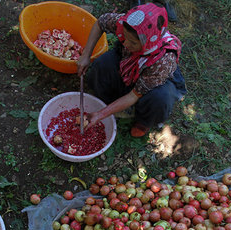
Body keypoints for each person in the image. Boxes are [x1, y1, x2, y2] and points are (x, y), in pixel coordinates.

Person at [77, 2, 186, 138]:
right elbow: (100, 23)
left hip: (152, 80)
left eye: (133, 42)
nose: (126, 44)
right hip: (128, 61)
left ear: (148, 42)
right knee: (102, 64)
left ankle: (143, 122)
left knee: (160, 98)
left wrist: (100, 114)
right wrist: (86, 55)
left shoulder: (163, 61)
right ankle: (107, 102)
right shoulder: (127, 24)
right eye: (125, 37)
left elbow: (134, 95)